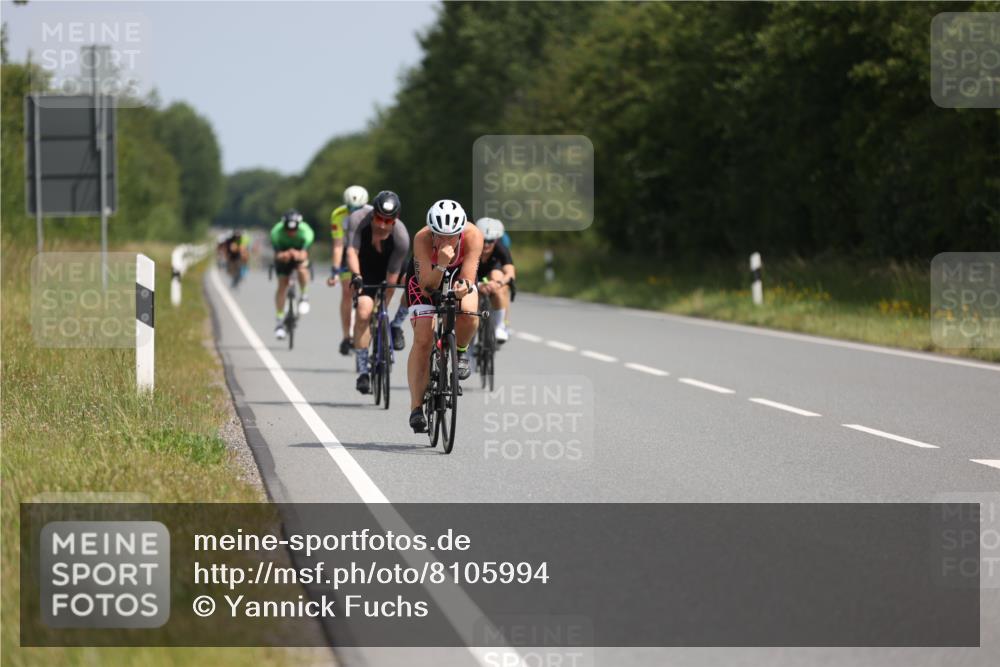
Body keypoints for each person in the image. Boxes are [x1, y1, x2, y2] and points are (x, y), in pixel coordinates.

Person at [405, 200, 484, 433]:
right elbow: (427, 288)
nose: (446, 241)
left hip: (458, 274)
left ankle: (459, 352)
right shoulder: (422, 238)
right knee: (422, 339)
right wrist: (440, 264)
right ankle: (416, 408)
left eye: (452, 236)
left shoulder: (473, 235)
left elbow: (468, 276)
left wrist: (463, 287)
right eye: (439, 235)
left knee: (469, 312)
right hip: (427, 278)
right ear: (431, 231)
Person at [346, 191, 411, 394]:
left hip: (390, 268)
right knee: (364, 312)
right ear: (373, 213)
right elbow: (351, 252)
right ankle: (363, 371)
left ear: (396, 219)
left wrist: (381, 305)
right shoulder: (358, 220)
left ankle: (396, 324)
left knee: (412, 285)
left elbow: (392, 278)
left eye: (388, 220)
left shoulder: (401, 237)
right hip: (365, 268)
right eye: (379, 218)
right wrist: (356, 275)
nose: (382, 224)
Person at [328, 185, 369, 355]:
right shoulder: (338, 215)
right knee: (347, 291)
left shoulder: (371, 213)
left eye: (357, 208)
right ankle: (346, 336)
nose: (354, 212)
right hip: (347, 251)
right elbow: (338, 246)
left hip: (367, 252)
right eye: (350, 208)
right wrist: (335, 271)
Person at [270, 209, 314, 339]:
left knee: (302, 268)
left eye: (294, 230)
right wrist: (284, 255)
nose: (291, 233)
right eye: (288, 230)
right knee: (282, 284)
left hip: (299, 254)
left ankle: (304, 295)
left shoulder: (306, 232)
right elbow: (277, 255)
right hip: (283, 256)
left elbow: (305, 253)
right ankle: (279, 321)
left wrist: (297, 254)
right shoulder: (276, 232)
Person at [474, 218, 515, 342]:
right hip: (474, 276)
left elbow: (510, 273)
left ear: (496, 240)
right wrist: (479, 284)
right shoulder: (471, 246)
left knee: (499, 279)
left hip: (492, 275)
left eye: (490, 241)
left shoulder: (501, 248)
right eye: (483, 240)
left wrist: (499, 284)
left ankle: (500, 325)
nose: (486, 245)